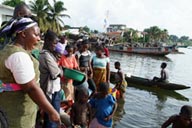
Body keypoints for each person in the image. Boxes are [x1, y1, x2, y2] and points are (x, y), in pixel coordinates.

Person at [0, 17, 60, 128]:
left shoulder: (10, 50)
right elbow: (31, 88)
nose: (39, 39)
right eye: (36, 35)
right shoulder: (19, 56)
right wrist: (51, 111)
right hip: (17, 118)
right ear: (23, 34)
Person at [39, 30, 62, 128]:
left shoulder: (49, 54)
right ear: (47, 41)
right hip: (51, 91)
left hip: (54, 89)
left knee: (50, 115)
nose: (55, 46)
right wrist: (60, 70)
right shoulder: (45, 55)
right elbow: (57, 73)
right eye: (54, 43)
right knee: (52, 117)